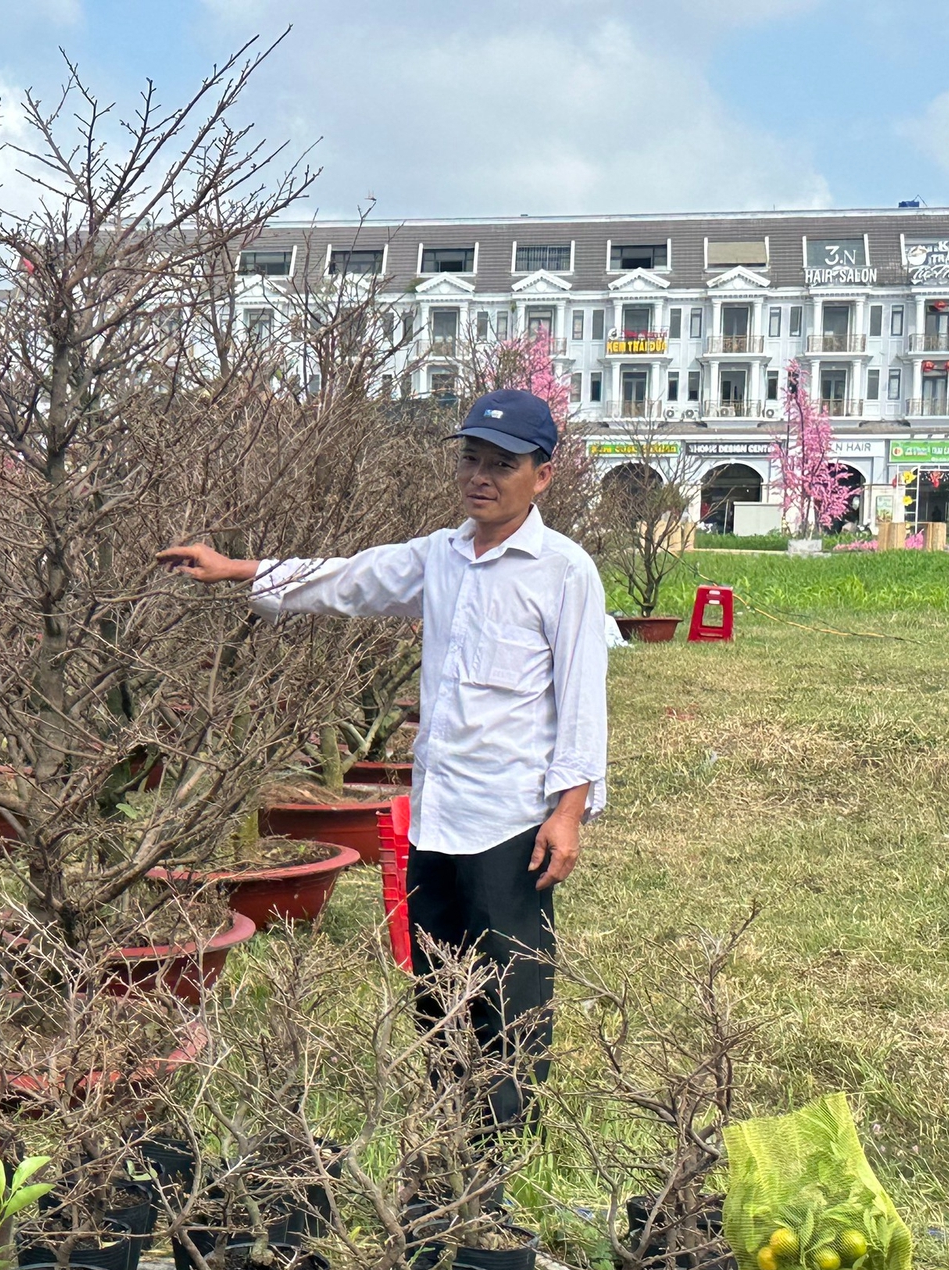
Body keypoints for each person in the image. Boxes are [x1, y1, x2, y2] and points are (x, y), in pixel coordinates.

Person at [158, 388, 610, 1126]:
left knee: (511, 979)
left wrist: (568, 812)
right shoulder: (441, 557)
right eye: (471, 459)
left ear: (543, 475)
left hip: (512, 815)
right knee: (437, 970)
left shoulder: (563, 570)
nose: (482, 477)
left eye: (503, 464)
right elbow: (348, 578)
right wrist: (239, 570)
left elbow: (583, 697)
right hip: (438, 811)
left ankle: (505, 1131)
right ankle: (445, 1108)